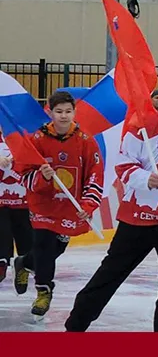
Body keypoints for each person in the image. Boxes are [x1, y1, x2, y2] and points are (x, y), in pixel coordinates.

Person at [65, 72, 158, 332]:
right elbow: (124, 164)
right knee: (112, 272)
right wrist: (145, 178)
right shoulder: (145, 124)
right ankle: (75, 325)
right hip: (139, 217)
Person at [14, 91, 104, 317]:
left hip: (70, 207)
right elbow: (23, 173)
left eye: (68, 111)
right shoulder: (36, 140)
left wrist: (88, 204)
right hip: (43, 205)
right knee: (44, 245)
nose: (64, 116)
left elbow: (95, 175)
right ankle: (44, 291)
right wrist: (41, 177)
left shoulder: (86, 141)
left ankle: (25, 263)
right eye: (59, 111)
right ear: (50, 112)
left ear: (74, 112)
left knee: (56, 248)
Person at [0, 131, 32, 283]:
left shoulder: (24, 136)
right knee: (2, 232)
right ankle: (1, 264)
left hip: (23, 198)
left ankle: (24, 265)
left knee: (25, 237)